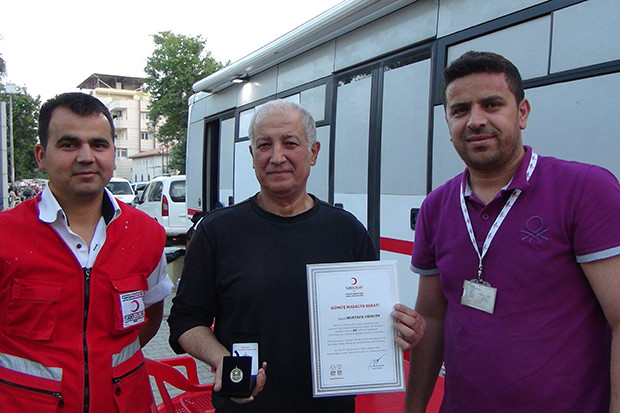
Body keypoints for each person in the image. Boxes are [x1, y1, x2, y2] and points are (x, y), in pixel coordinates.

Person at [168, 100, 426, 412]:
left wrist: (402, 329)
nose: (277, 157)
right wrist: (224, 361)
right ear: (252, 155)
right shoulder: (217, 231)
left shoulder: (347, 232)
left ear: (313, 152)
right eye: (264, 145)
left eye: (290, 143)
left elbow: (374, 320)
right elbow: (185, 320)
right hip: (245, 405)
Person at [405, 51, 620, 412]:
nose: (476, 120)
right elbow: (432, 318)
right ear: (448, 121)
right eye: (460, 110)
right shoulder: (436, 207)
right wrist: (413, 409)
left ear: (522, 113)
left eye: (491, 105)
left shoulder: (585, 189)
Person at [0, 92, 173, 412]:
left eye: (99, 144)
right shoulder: (5, 235)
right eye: (69, 144)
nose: (86, 156)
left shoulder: (146, 234)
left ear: (113, 153)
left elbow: (150, 318)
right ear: (41, 155)